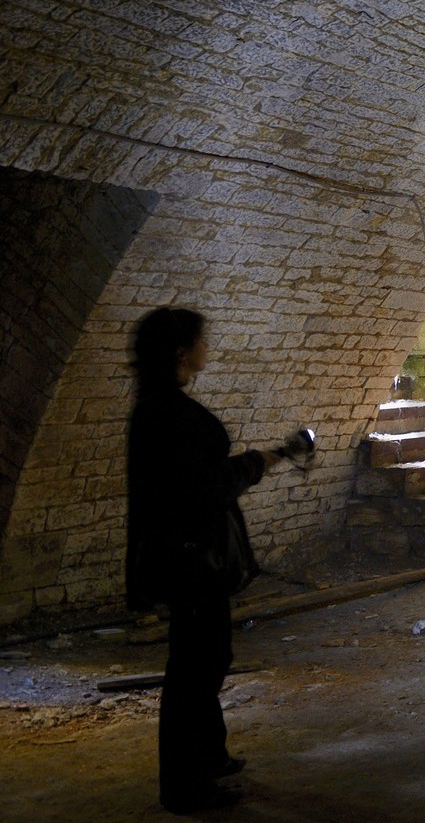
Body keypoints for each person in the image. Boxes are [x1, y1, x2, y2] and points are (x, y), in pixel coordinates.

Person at [124, 307, 307, 814]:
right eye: (202, 341)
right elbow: (200, 489)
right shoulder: (168, 414)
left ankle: (209, 755)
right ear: (182, 353)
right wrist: (251, 465)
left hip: (190, 557)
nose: (209, 347)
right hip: (190, 561)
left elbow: (195, 477)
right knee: (193, 670)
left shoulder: (159, 408)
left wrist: (256, 461)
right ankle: (185, 786)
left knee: (209, 658)